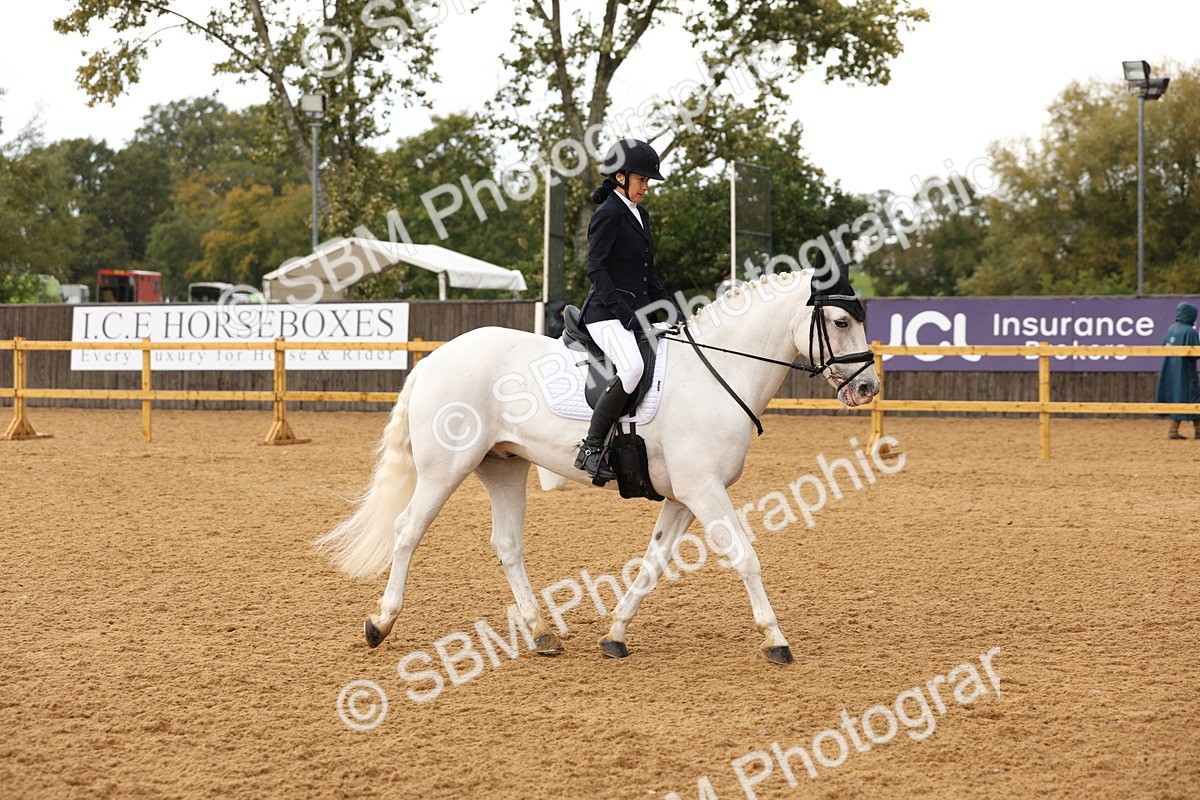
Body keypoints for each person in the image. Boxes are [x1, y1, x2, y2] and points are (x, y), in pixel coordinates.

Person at [574, 139, 675, 481]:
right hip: (604, 312)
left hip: (637, 309)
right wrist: (625, 314)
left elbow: (648, 272)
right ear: (620, 177)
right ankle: (590, 447)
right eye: (642, 179)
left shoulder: (639, 213)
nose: (646, 187)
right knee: (631, 368)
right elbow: (597, 271)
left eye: (647, 181)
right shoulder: (608, 214)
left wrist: (669, 309)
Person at [1154, 301, 1200, 439]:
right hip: (1185, 371)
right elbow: (1196, 353)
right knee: (1192, 397)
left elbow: (1164, 347)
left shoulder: (1171, 328)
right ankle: (1196, 431)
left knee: (1178, 397)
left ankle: (1175, 430)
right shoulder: (1189, 331)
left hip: (1170, 370)